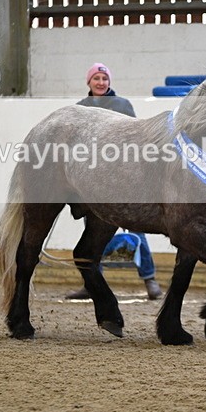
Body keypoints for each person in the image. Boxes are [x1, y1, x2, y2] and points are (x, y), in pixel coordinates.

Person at [65, 63, 164, 300]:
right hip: (94, 180)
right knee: (92, 232)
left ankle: (149, 280)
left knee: (137, 229)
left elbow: (136, 138)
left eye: (104, 78)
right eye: (96, 78)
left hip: (124, 178)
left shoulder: (122, 105)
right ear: (88, 82)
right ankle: (91, 282)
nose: (101, 82)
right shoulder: (80, 109)